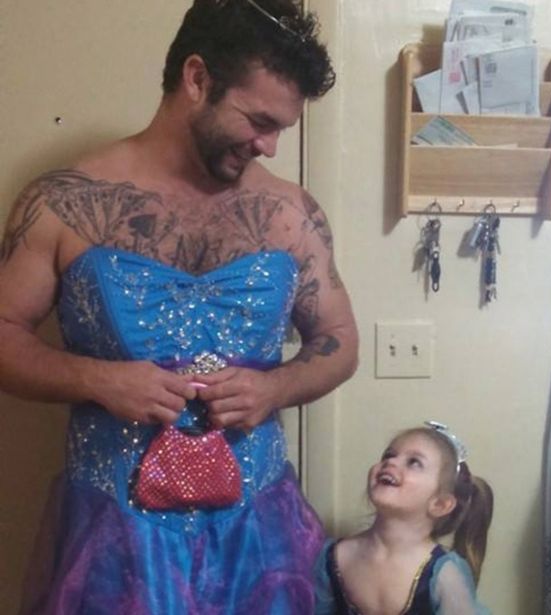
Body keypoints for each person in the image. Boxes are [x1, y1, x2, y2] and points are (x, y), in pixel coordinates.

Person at [0, 1, 358, 613]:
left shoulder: (292, 214)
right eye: (259, 121)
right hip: (114, 540)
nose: (270, 146)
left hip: (259, 538)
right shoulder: (64, 202)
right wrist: (98, 379)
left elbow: (340, 338)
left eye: (282, 129)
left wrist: (275, 388)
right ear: (196, 79)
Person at [315, 422, 493, 615]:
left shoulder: (444, 573)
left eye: (414, 462)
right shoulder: (333, 556)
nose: (391, 462)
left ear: (440, 504)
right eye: (389, 455)